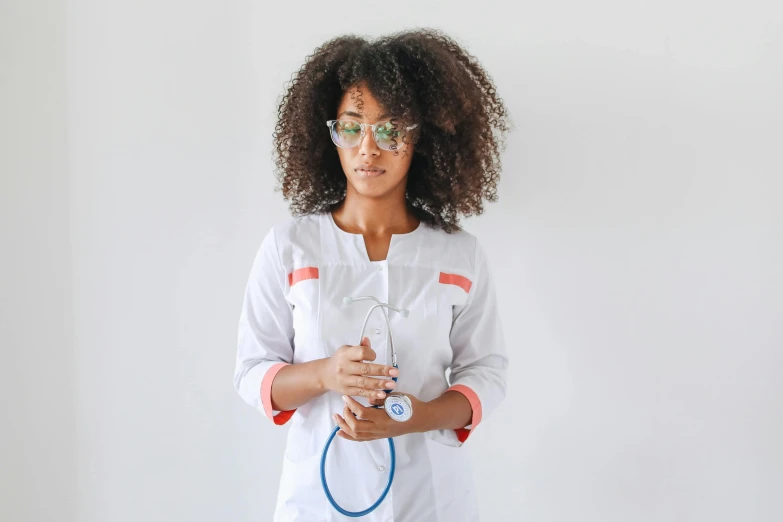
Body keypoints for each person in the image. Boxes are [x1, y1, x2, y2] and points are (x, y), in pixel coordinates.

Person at [234, 28, 511, 521]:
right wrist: (325, 373)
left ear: (420, 137)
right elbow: (252, 374)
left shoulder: (459, 255)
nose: (369, 148)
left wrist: (418, 417)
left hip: (429, 498)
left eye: (390, 129)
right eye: (352, 126)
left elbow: (485, 373)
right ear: (330, 134)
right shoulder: (290, 248)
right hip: (317, 503)